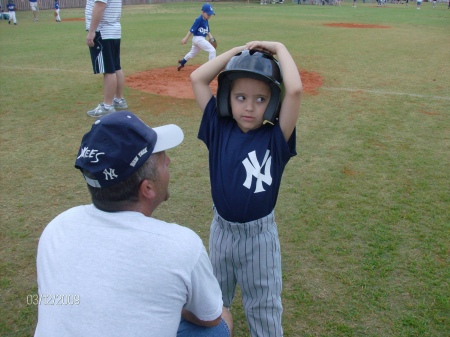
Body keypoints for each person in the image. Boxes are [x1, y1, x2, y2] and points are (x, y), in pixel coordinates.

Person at [35, 111, 233, 337]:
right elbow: (209, 317)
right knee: (222, 319)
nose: (168, 160)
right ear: (147, 189)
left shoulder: (57, 227)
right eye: (161, 159)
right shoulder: (181, 246)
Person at [190, 41, 302, 337]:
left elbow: (294, 90)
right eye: (240, 97)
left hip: (259, 239)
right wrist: (239, 51)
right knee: (212, 304)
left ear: (273, 103)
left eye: (261, 99)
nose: (249, 106)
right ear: (228, 97)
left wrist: (278, 47)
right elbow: (198, 78)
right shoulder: (218, 127)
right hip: (222, 232)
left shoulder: (275, 138)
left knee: (263, 308)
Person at [85, 0, 128, 117]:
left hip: (103, 31)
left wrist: (92, 31)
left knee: (108, 69)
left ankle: (107, 106)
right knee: (115, 66)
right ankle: (119, 100)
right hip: (113, 30)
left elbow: (100, 6)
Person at [177, 3, 216, 71]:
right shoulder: (199, 19)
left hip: (197, 40)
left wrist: (211, 37)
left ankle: (182, 62)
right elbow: (191, 30)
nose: (209, 16)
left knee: (192, 53)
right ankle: (212, 68)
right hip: (198, 39)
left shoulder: (206, 20)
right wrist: (186, 39)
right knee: (212, 50)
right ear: (203, 12)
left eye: (210, 14)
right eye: (208, 14)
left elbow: (207, 31)